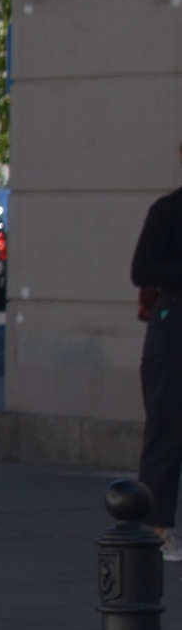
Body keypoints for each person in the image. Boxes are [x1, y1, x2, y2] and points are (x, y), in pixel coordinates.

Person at [129, 142, 182, 561]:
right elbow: (141, 269)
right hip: (174, 328)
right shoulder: (168, 211)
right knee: (166, 429)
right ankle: (157, 528)